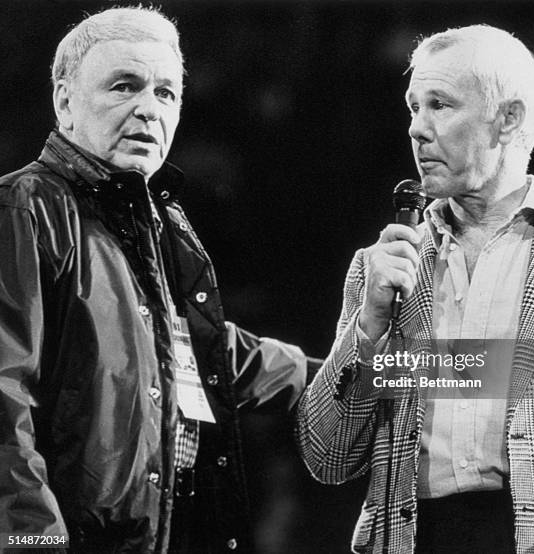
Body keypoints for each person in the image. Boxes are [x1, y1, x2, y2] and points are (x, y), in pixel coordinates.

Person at [0, 7, 308, 553]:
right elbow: (4, 398)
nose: (148, 109)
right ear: (64, 102)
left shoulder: (159, 230)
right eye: (125, 87)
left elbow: (211, 362)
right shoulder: (23, 209)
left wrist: (430, 370)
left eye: (166, 93)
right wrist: (33, 545)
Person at [298, 24, 534, 554]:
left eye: (439, 105)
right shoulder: (380, 269)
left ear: (507, 119)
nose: (417, 130)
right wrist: (368, 330)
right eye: (413, 107)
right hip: (414, 538)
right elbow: (326, 458)